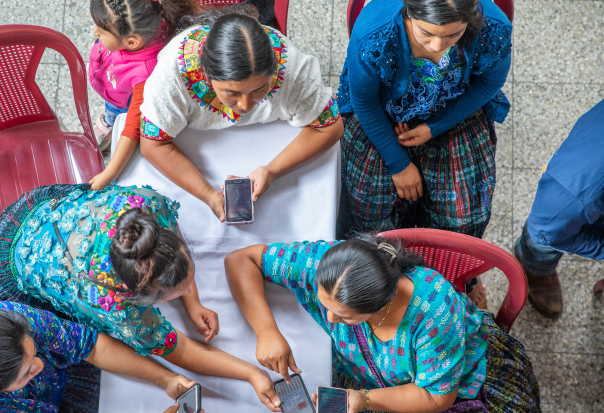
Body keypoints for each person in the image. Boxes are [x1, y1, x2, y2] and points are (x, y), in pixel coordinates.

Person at [0, 184, 281, 410]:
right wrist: (251, 373)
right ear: (139, 299)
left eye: (189, 280)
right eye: (179, 292)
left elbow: (169, 262)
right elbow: (180, 350)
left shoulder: (146, 207)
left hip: (47, 216)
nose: (189, 290)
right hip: (11, 266)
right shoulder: (114, 305)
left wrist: (192, 302)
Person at [225, 235, 540, 413]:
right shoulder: (329, 266)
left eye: (345, 317)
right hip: (376, 380)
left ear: (382, 304)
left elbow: (435, 397)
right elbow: (241, 260)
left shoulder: (434, 316)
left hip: (451, 389)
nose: (331, 320)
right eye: (324, 304)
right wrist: (266, 331)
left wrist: (363, 399)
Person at [138, 9, 343, 222]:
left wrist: (272, 170)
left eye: (259, 90)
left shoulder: (292, 68)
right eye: (231, 93)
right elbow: (153, 144)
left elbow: (331, 126)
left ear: (275, 71)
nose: (245, 106)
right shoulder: (172, 75)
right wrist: (207, 193)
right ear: (205, 75)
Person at [336, 0, 511, 240]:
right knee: (371, 212)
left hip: (454, 106)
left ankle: (447, 264)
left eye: (454, 34)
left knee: (462, 217)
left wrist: (434, 127)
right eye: (426, 33)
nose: (437, 45)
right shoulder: (374, 32)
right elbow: (364, 101)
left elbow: (489, 83)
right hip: (380, 111)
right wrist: (398, 163)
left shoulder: (493, 27)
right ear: (408, 13)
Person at [0, 301, 228, 412]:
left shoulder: (6, 318)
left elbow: (90, 345)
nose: (39, 364)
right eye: (26, 374)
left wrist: (167, 379)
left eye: (34, 353)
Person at [87, 0, 200, 189]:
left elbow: (132, 128)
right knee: (110, 111)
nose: (95, 32)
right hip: (113, 83)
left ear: (131, 42)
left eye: (102, 31)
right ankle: (108, 122)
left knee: (115, 116)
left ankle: (108, 128)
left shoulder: (145, 75)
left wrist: (110, 172)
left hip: (121, 102)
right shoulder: (138, 24)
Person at [514, 99, 604, 319]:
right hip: (573, 197)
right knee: (547, 235)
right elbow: (548, 231)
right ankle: (535, 265)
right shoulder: (572, 190)